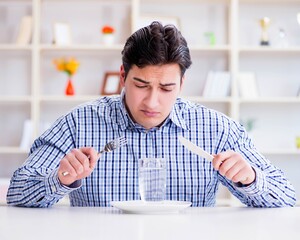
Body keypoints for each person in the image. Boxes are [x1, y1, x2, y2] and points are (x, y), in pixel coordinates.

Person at [7, 21, 296, 208]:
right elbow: (17, 192)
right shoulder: (78, 124)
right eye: (141, 85)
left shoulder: (217, 129)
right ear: (123, 75)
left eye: (167, 88)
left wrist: (250, 179)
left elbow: (288, 197)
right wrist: (61, 179)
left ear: (182, 84)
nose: (152, 102)